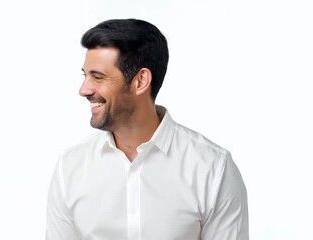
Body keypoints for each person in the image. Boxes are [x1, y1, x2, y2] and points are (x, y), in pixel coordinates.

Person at [46, 19, 249, 240]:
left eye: (98, 77)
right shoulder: (70, 167)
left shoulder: (212, 168)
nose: (84, 89)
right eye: (85, 75)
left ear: (141, 80)